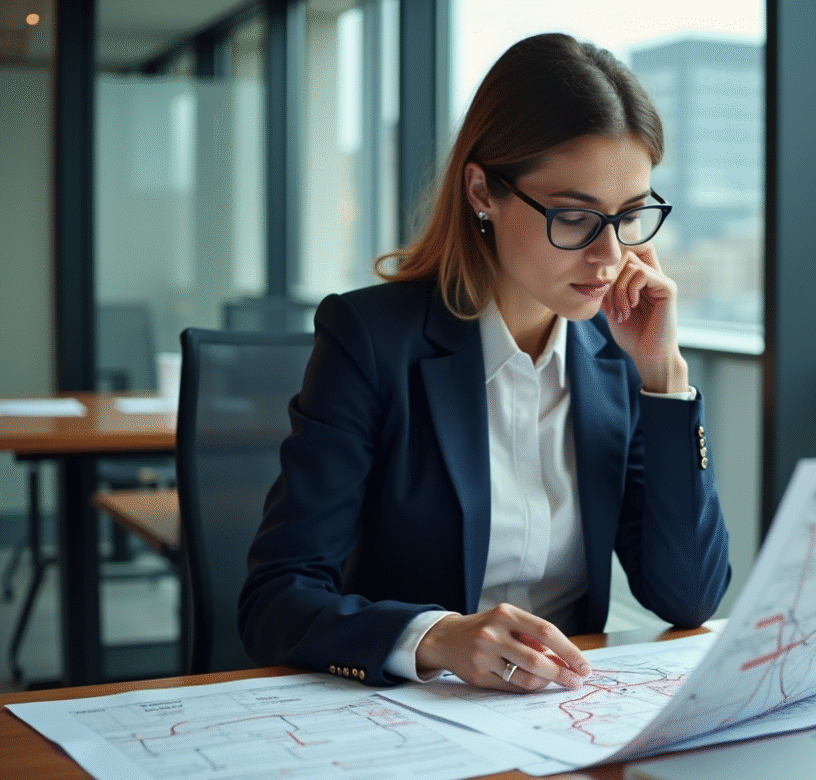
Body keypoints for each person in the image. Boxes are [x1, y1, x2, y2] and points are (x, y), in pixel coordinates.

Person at [238, 32, 731, 693]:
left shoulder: (616, 361)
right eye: (575, 217)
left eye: (631, 216)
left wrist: (664, 381)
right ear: (482, 191)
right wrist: (435, 637)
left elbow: (688, 597)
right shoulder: (372, 340)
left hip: (565, 716)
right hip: (413, 716)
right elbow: (276, 598)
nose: (610, 255)